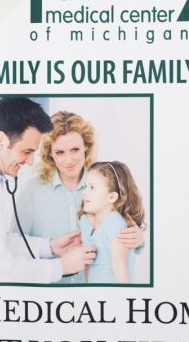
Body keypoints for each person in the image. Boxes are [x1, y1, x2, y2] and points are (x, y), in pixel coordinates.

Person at [0, 97, 95, 283]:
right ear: (1, 140)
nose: (31, 162)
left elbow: (0, 242)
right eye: (26, 152)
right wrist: (60, 267)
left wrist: (49, 247)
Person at [17, 110, 144, 284]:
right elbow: (14, 245)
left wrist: (138, 238)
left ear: (86, 146)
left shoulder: (106, 182)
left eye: (75, 149)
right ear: (50, 154)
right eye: (60, 152)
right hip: (50, 296)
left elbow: (123, 224)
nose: (69, 160)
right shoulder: (32, 190)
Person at [78, 161, 145, 284]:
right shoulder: (84, 222)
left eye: (92, 187)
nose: (84, 192)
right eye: (85, 186)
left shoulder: (115, 224)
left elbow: (120, 269)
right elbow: (86, 264)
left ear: (112, 197)